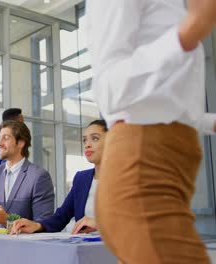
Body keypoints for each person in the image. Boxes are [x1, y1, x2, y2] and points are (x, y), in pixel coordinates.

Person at [86, 1, 216, 263]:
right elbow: (110, 90)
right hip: (142, 177)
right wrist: (185, 34)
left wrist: (209, 122)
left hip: (161, 173)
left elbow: (163, 107)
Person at [11, 120, 107, 235]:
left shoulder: (130, 179)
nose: (87, 144)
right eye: (85, 140)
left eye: (95, 138)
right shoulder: (82, 179)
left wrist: (100, 224)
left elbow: (133, 223)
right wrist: (37, 225)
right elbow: (61, 217)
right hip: (85, 249)